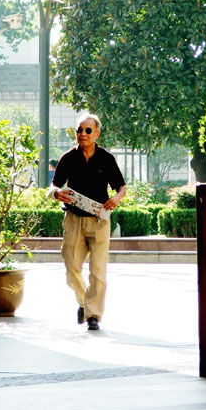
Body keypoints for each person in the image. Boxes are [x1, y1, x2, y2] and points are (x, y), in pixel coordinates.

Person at [49, 113, 126, 331]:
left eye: (88, 130)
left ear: (97, 133)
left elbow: (121, 188)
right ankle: (84, 303)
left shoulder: (106, 158)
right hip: (73, 220)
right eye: (79, 130)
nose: (83, 134)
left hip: (99, 220)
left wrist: (117, 198)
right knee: (71, 268)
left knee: (98, 271)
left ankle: (93, 315)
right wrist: (56, 194)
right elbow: (54, 185)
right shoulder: (68, 157)